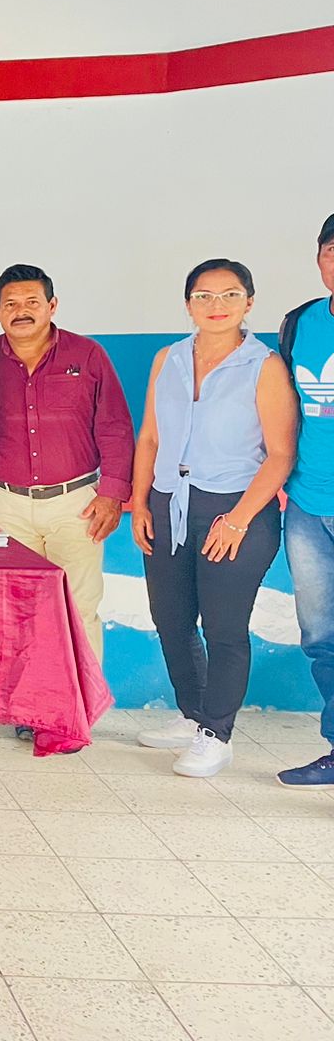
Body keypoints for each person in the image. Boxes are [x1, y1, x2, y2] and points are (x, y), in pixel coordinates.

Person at [131, 259, 298, 777]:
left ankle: (216, 733)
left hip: (235, 510)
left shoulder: (264, 366)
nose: (216, 305)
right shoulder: (168, 359)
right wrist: (140, 502)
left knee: (224, 627)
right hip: (169, 503)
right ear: (188, 304)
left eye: (229, 295)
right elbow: (150, 437)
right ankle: (192, 714)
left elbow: (280, 454)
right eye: (203, 295)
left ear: (249, 302)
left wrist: (239, 519)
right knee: (171, 619)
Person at [0, 264, 134, 671]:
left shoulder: (87, 355)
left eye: (32, 301)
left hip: (76, 503)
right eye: (11, 304)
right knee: (13, 611)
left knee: (79, 609)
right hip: (5, 505)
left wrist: (112, 494)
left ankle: (80, 704)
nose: (21, 311)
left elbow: (115, 426)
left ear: (52, 305)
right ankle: (25, 702)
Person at [279, 217, 334, 788]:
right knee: (322, 639)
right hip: (308, 506)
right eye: (332, 252)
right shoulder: (300, 324)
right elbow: (287, 409)